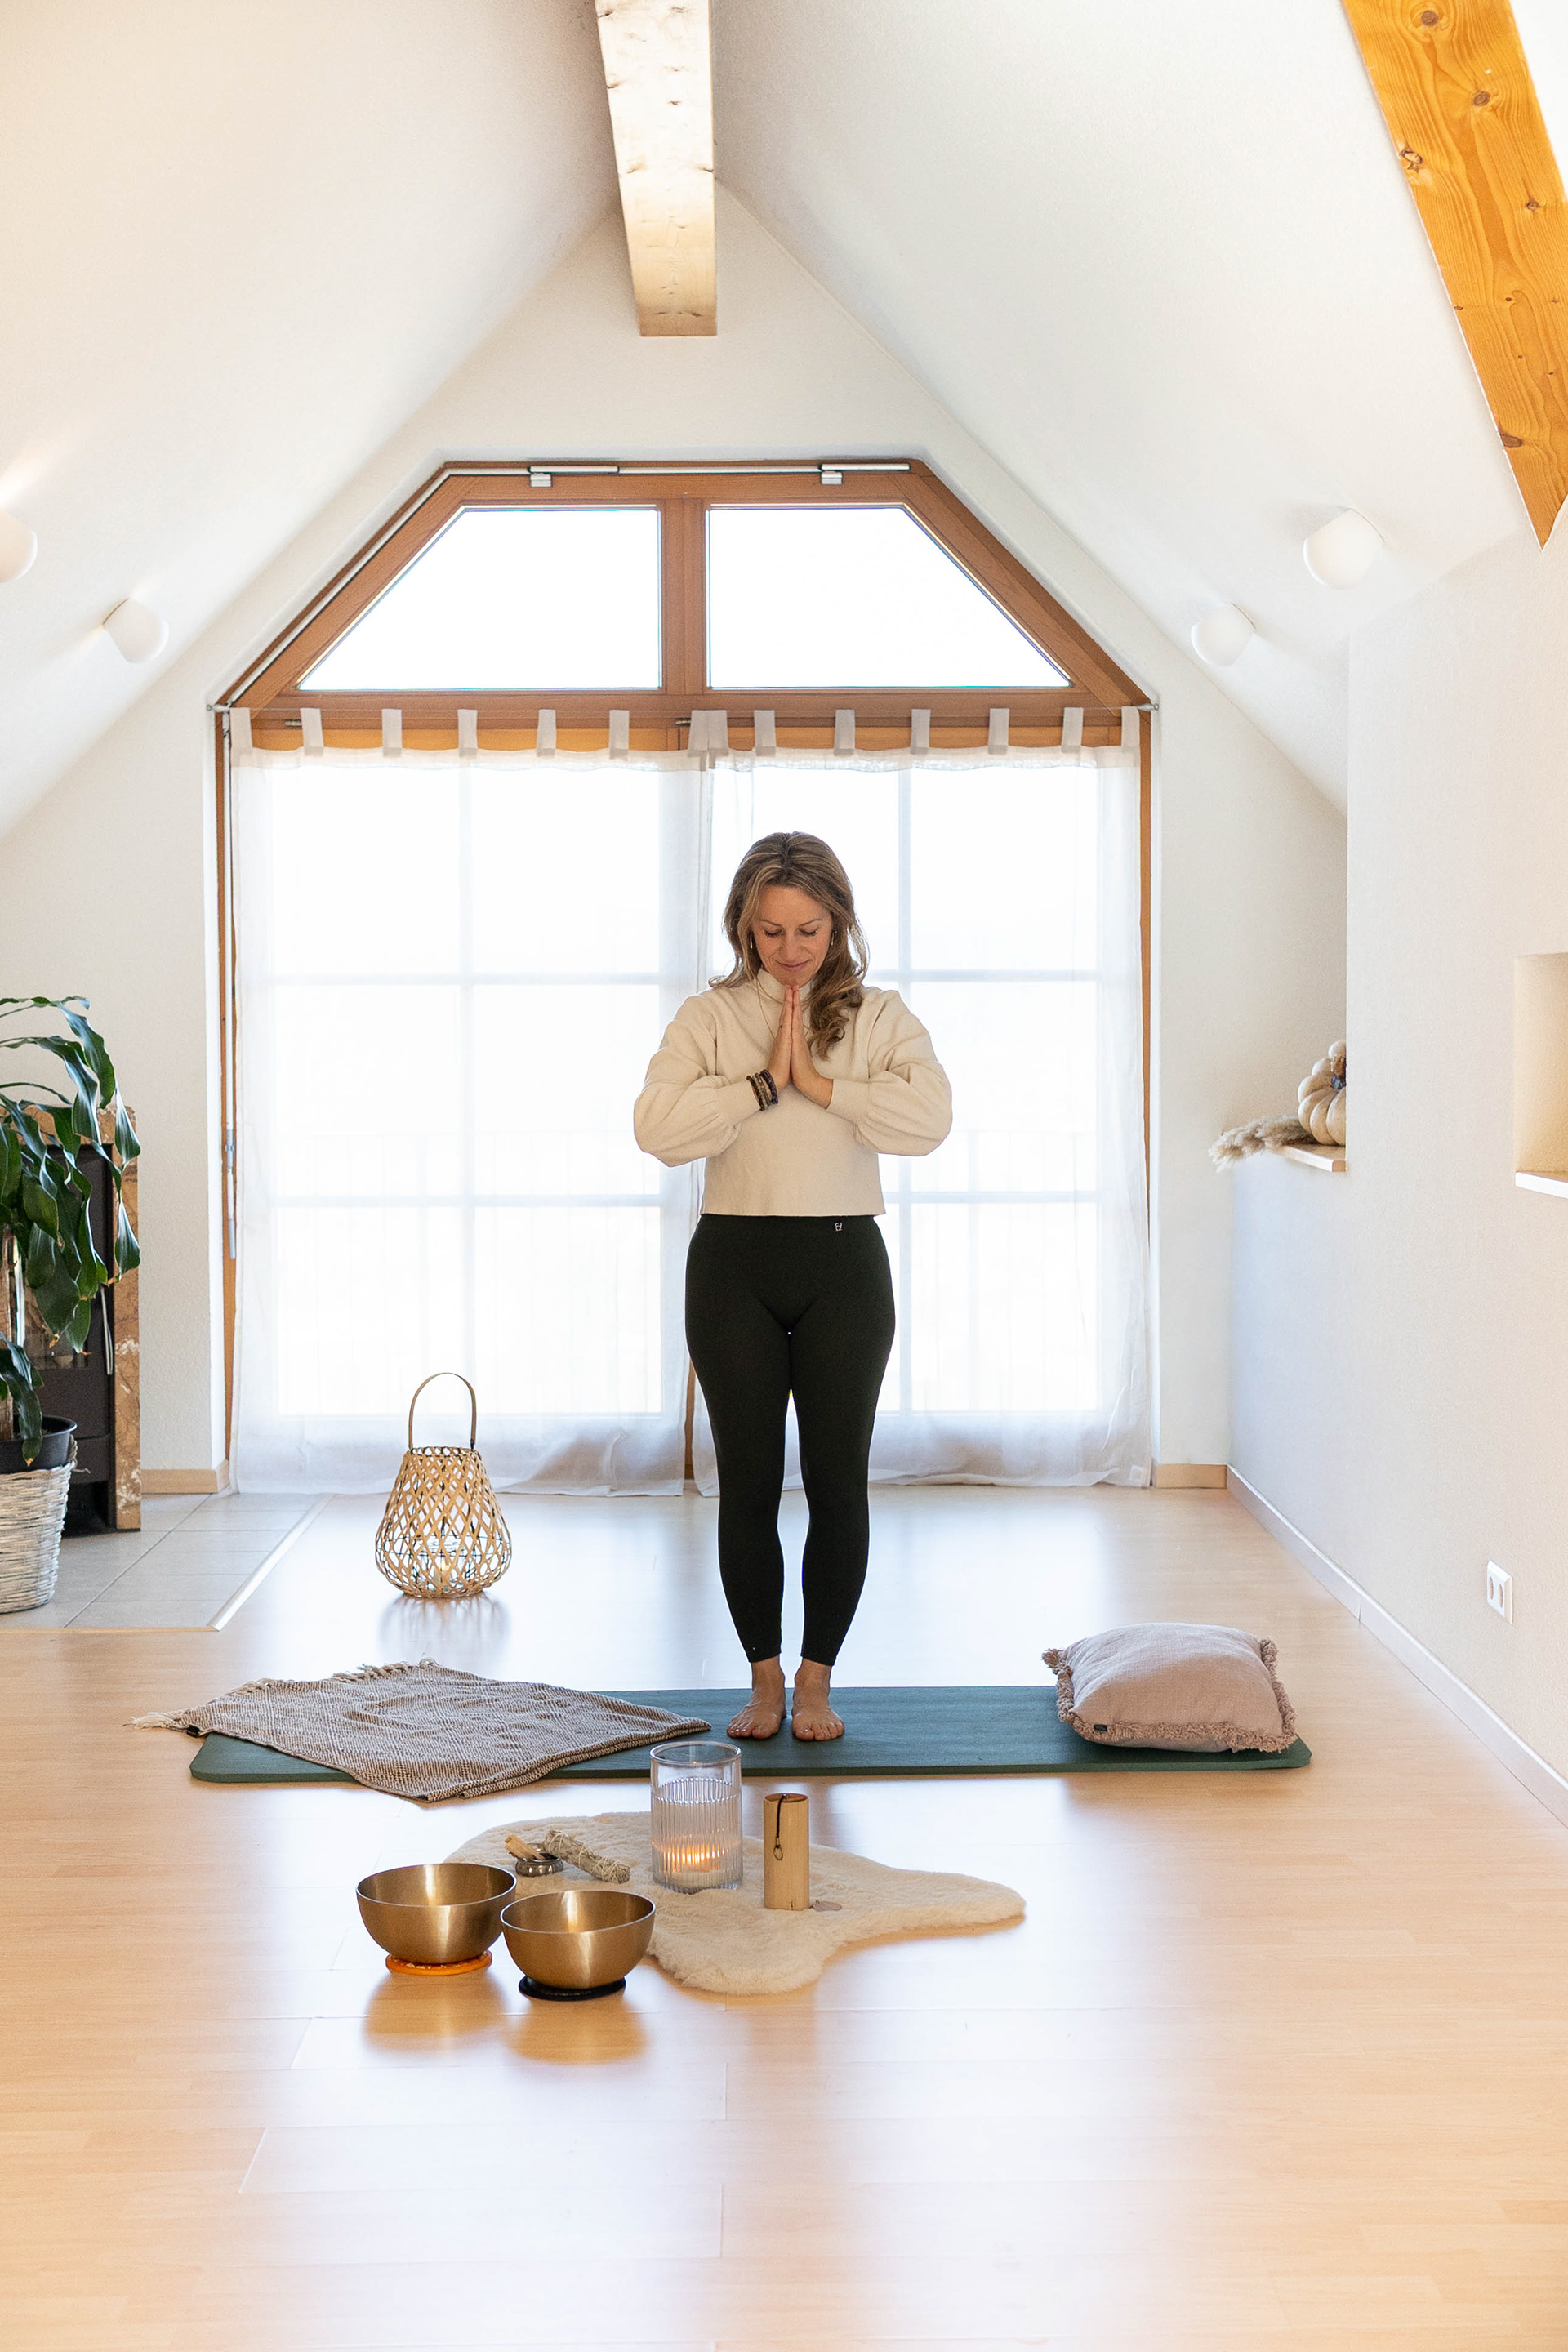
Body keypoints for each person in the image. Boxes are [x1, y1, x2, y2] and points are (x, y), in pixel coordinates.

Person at [634, 832, 952, 1740]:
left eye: (808, 929)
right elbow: (657, 1129)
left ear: (837, 923)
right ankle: (764, 1682)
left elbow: (929, 1120)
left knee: (837, 1482)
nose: (790, 949)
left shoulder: (879, 1017)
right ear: (744, 927)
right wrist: (762, 1087)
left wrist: (818, 1082)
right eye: (770, 931)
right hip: (732, 1264)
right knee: (747, 1485)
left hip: (844, 1267)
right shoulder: (707, 1019)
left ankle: (817, 1681)